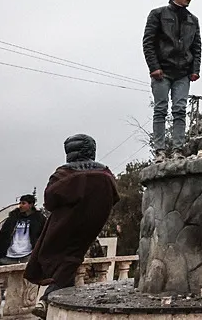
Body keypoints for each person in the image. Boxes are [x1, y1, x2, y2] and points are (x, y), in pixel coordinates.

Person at [24, 135, 119, 316]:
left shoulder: (64, 173)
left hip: (64, 224)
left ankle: (47, 301)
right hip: (92, 224)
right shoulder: (105, 173)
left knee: (63, 260)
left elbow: (50, 200)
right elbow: (114, 196)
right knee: (71, 260)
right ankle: (51, 305)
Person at [142, 0, 202, 163]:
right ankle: (159, 151)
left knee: (180, 110)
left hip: (183, 72)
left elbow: (197, 46)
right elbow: (148, 42)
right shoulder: (158, 14)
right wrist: (154, 67)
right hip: (162, 71)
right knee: (160, 109)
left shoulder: (193, 20)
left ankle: (178, 149)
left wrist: (195, 69)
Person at [0, 195, 46, 265]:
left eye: (23, 203)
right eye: (20, 203)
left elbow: (43, 235)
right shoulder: (13, 218)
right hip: (9, 255)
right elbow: (3, 234)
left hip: (28, 255)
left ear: (31, 205)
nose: (20, 205)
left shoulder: (39, 219)